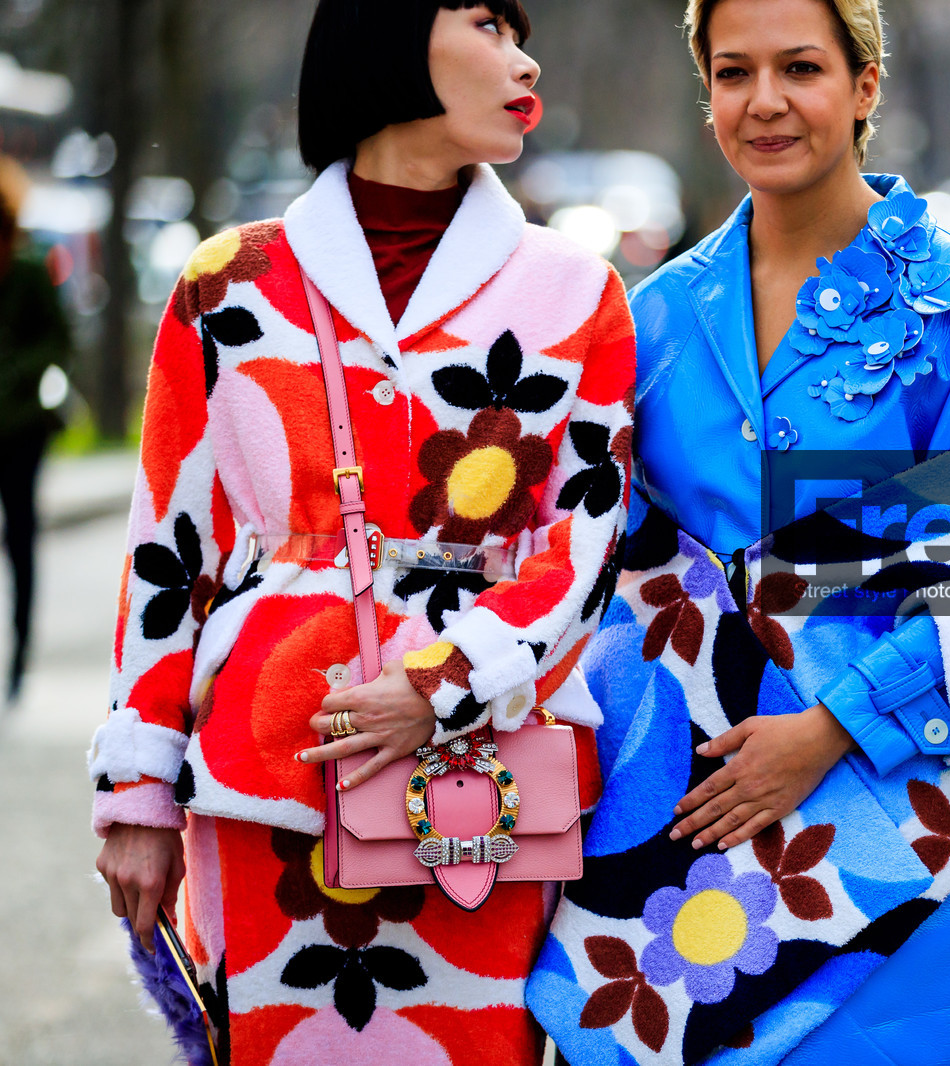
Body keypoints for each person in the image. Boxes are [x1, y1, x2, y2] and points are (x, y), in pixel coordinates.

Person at [529, 1, 950, 1063]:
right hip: (689, 821)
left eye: (801, 68)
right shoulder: (654, 315)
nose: (765, 101)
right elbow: (602, 562)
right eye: (733, 73)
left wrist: (829, 725)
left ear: (864, 87)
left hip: (900, 810)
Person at [89, 2, 634, 1061]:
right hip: (260, 778)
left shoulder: (575, 292)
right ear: (386, 38)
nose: (525, 58)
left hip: (483, 772)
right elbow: (168, 550)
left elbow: (585, 545)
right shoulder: (228, 284)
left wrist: (442, 678)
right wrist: (137, 792)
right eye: (489, 23)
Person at [0, 157, 72, 705]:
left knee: (20, 535)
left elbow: (57, 340)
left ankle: (20, 655)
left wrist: (19, 371)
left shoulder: (28, 270)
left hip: (21, 427)